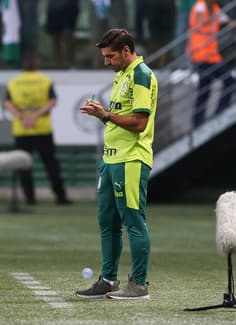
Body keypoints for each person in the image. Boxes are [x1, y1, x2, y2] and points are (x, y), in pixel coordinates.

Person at [75, 28, 158, 300]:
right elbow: (119, 117)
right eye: (104, 57)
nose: (107, 62)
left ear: (126, 50)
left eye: (111, 56)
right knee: (107, 222)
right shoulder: (123, 75)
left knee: (133, 220)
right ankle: (108, 280)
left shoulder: (141, 75)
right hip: (111, 158)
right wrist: (102, 116)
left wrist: (107, 115)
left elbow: (139, 123)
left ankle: (139, 285)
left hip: (131, 159)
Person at [4, 54, 72, 205]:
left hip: (21, 130)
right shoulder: (45, 80)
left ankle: (29, 198)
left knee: (23, 164)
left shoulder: (14, 82)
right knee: (50, 163)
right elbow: (52, 101)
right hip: (42, 128)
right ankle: (60, 197)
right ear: (36, 65)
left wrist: (22, 117)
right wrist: (35, 116)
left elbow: (8, 103)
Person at [187, 0, 236, 127]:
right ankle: (219, 114)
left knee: (204, 89)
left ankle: (197, 123)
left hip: (210, 56)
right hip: (203, 56)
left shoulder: (215, 9)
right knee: (229, 81)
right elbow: (200, 20)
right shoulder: (202, 6)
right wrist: (213, 17)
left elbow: (230, 23)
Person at [45, 0, 79, 68]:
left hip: (70, 7)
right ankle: (58, 64)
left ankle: (71, 63)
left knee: (68, 35)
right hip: (54, 7)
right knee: (56, 37)